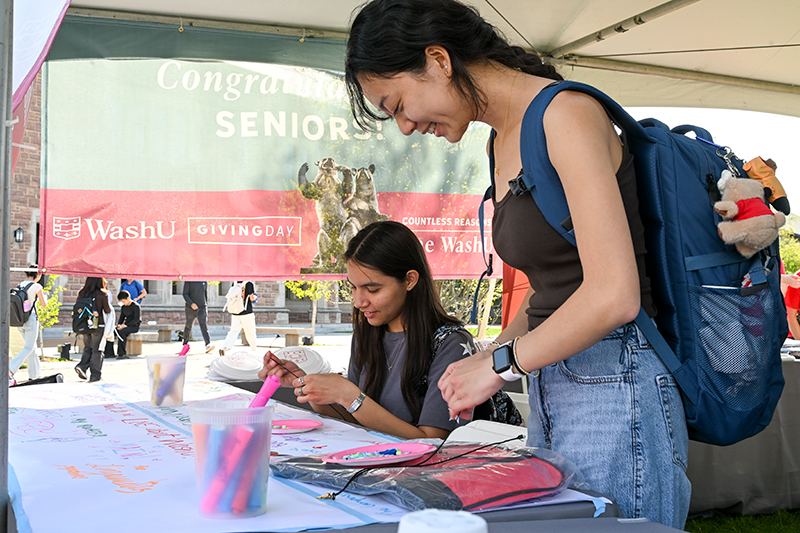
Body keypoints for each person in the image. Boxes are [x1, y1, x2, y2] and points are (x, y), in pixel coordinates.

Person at [344, 0, 689, 527]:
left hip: (616, 381)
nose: (406, 127)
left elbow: (614, 294)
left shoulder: (565, 114)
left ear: (438, 60)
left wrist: (503, 365)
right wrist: (489, 356)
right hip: (553, 380)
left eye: (397, 105)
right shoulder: (502, 141)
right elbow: (551, 288)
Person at [260, 221, 474, 440]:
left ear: (410, 280)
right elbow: (354, 418)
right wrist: (308, 385)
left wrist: (348, 394)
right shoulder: (368, 333)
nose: (359, 302)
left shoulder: (450, 344)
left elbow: (433, 441)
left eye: (372, 289)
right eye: (353, 287)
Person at [10, 266, 48, 380]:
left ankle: (35, 375)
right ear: (37, 275)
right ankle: (10, 368)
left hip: (20, 320)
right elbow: (44, 304)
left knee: (32, 348)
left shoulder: (20, 285)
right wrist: (45, 295)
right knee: (28, 347)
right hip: (31, 320)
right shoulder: (37, 286)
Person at [74, 277, 112, 382]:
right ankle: (95, 375)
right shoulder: (102, 293)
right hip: (98, 325)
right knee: (97, 350)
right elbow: (107, 310)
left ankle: (82, 367)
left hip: (85, 324)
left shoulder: (82, 292)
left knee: (88, 347)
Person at [219, 281, 258, 356]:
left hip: (235, 312)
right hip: (246, 312)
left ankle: (225, 347)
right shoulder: (249, 284)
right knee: (250, 332)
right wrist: (255, 297)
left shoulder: (234, 283)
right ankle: (254, 350)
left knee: (233, 331)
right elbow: (252, 298)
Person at [182, 280, 214, 353]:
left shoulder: (204, 281)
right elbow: (185, 294)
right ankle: (185, 344)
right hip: (190, 308)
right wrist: (191, 303)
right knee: (189, 325)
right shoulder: (189, 280)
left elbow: (205, 294)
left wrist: (206, 304)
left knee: (204, 325)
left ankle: (208, 344)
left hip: (202, 307)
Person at [114, 290, 142, 359]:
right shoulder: (124, 307)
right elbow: (121, 317)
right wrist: (119, 325)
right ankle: (109, 353)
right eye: (121, 302)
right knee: (113, 331)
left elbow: (137, 319)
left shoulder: (136, 306)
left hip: (134, 326)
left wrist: (126, 325)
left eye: (124, 301)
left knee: (122, 332)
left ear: (128, 298)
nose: (123, 303)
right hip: (126, 325)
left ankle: (122, 353)